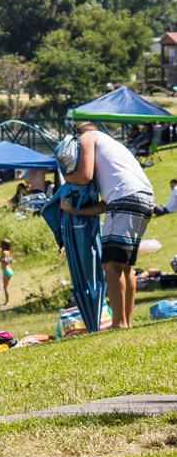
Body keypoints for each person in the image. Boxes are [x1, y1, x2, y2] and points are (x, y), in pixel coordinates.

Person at [62, 122, 156, 329]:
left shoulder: (87, 137)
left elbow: (83, 175)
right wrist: (74, 210)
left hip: (125, 198)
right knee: (125, 265)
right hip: (143, 198)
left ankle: (118, 323)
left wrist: (67, 177)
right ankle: (126, 322)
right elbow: (105, 205)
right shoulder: (113, 147)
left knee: (111, 265)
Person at [0, 238, 15, 305]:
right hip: (10, 270)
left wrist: (0, 259)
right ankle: (7, 300)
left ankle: (7, 301)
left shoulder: (4, 252)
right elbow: (11, 261)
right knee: (6, 286)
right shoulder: (10, 252)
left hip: (6, 271)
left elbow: (4, 260)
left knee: (5, 287)